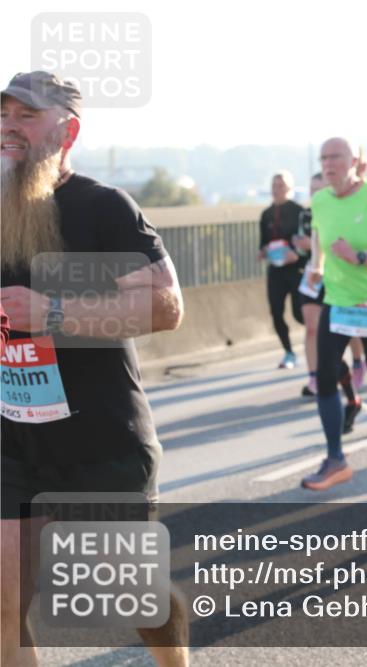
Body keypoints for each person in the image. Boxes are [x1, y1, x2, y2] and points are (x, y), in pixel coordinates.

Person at [1, 70, 189, 666]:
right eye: (4, 115)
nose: (9, 126)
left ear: (68, 129)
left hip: (100, 437)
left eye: (26, 115)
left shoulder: (103, 207)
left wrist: (52, 312)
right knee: (2, 604)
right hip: (12, 440)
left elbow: (166, 307)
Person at [300, 137, 367, 490]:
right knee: (325, 374)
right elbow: (319, 240)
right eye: (324, 157)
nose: (328, 163)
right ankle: (336, 458)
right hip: (337, 301)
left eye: (336, 157)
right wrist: (315, 266)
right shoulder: (319, 200)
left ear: (355, 161)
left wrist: (360, 257)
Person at [297, 173, 364, 429]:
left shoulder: (343, 210)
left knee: (339, 349)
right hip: (314, 282)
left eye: (319, 189)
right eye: (311, 190)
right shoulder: (308, 213)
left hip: (343, 285)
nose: (315, 195)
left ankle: (355, 382)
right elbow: (309, 244)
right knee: (319, 337)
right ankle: (324, 382)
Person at [258, 171, 307, 369]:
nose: (277, 189)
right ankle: (288, 352)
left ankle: (318, 338)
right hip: (276, 271)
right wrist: (262, 252)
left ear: (289, 188)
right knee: (276, 312)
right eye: (274, 185)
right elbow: (263, 243)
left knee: (299, 313)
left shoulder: (299, 211)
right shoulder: (266, 214)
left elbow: (308, 242)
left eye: (281, 185)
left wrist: (296, 253)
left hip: (296, 269)